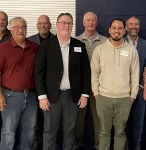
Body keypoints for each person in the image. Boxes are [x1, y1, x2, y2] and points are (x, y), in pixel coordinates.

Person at [35, 13, 91, 150]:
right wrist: (42, 96)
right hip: (51, 97)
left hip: (73, 97)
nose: (66, 25)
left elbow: (86, 72)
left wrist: (85, 94)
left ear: (72, 26)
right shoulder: (47, 45)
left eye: (69, 23)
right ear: (57, 24)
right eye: (63, 22)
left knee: (70, 132)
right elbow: (38, 72)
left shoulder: (79, 45)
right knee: (49, 131)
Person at [91, 18, 139, 150]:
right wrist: (96, 94)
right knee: (104, 132)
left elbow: (135, 74)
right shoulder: (99, 50)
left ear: (124, 30)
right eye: (114, 28)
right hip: (104, 98)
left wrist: (132, 96)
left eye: (119, 28)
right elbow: (94, 74)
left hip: (124, 99)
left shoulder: (131, 50)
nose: (116, 31)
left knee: (120, 133)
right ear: (109, 30)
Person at [0, 17, 39, 150]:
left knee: (30, 130)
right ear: (11, 29)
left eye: (24, 27)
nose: (21, 30)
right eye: (17, 27)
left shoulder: (35, 48)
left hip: (31, 96)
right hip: (10, 96)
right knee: (8, 131)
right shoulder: (2, 48)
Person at [76, 11, 107, 150]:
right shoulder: (75, 41)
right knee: (78, 118)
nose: (90, 22)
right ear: (83, 23)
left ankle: (100, 145)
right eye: (88, 20)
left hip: (99, 86)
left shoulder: (106, 41)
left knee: (100, 118)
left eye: (93, 20)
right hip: (80, 86)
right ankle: (77, 144)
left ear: (97, 22)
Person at [28, 14, 53, 150]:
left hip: (51, 88)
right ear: (37, 25)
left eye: (45, 23)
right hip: (33, 87)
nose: (43, 26)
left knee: (49, 121)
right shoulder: (29, 41)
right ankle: (36, 146)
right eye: (40, 23)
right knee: (34, 121)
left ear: (49, 25)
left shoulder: (56, 40)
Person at [125, 16, 146, 150]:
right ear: (126, 27)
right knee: (122, 121)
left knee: (139, 121)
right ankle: (125, 146)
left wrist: (142, 87)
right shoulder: (120, 42)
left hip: (140, 89)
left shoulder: (144, 44)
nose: (133, 26)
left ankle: (137, 145)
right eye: (131, 24)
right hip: (123, 90)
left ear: (139, 26)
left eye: (136, 24)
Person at [0, 11, 11, 150]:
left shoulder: (12, 37)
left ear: (7, 21)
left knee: (8, 123)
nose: (1, 22)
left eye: (3, 19)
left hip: (8, 87)